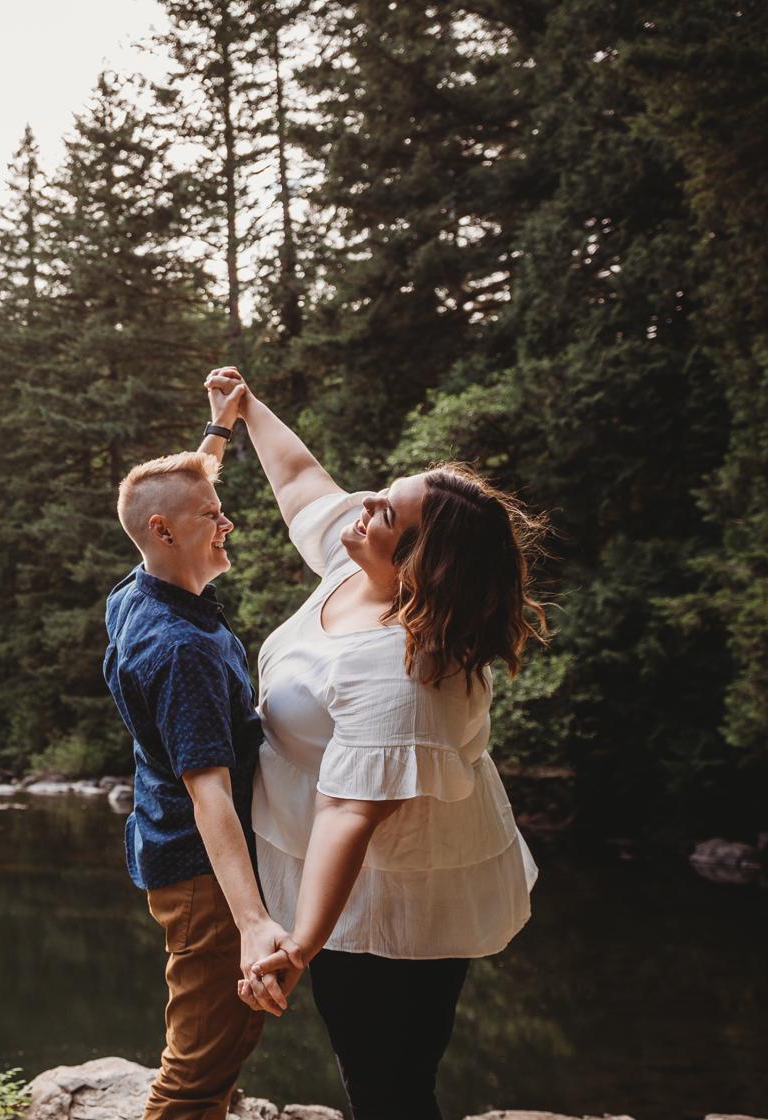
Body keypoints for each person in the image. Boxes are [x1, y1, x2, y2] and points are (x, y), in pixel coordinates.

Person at [204, 365, 546, 1120]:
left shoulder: (407, 670)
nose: (363, 505)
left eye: (385, 510)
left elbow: (349, 813)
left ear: (420, 563)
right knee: (382, 1076)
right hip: (341, 860)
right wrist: (248, 410)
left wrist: (298, 945)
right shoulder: (360, 561)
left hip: (395, 888)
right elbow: (303, 482)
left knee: (387, 1082)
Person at [103, 394, 293, 1120]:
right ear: (164, 531)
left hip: (175, 854)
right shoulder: (181, 649)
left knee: (218, 1054)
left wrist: (218, 428)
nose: (226, 522)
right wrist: (253, 922)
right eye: (213, 515)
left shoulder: (138, 590)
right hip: (204, 876)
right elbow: (209, 791)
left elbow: (173, 495)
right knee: (196, 1076)